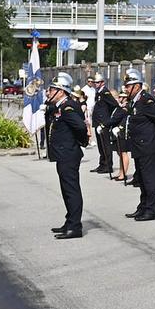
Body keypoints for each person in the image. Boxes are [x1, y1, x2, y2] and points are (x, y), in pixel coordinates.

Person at [113, 69, 155, 222]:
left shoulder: (146, 100)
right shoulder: (135, 101)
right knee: (143, 180)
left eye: (128, 86)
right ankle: (143, 207)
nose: (126, 89)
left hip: (149, 146)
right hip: (139, 146)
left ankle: (151, 210)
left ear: (137, 86)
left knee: (150, 180)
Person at [44, 73, 88, 239]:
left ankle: (75, 226)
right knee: (66, 190)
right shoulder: (60, 106)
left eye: (52, 89)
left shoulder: (68, 107)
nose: (49, 92)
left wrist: (79, 142)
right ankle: (70, 222)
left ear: (61, 92)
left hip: (68, 154)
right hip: (64, 154)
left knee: (71, 190)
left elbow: (81, 127)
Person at [89, 73, 118, 175]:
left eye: (97, 82)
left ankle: (108, 166)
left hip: (103, 122)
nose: (96, 84)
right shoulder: (99, 92)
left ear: (102, 82)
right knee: (101, 145)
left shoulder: (105, 92)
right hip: (98, 122)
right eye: (95, 83)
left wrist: (107, 118)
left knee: (105, 145)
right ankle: (102, 164)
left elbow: (114, 105)